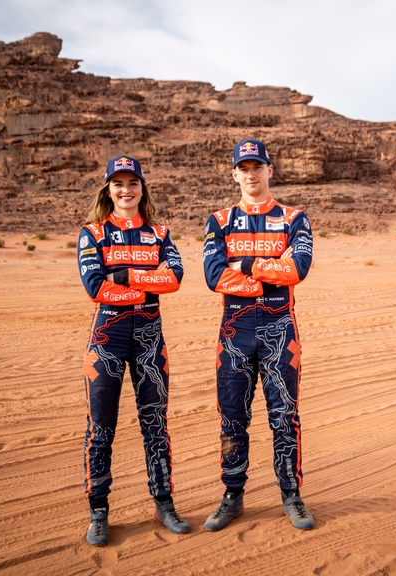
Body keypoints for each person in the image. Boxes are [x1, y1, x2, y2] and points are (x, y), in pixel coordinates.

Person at [201, 139, 315, 531]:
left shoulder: (294, 219)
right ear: (235, 174)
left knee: (285, 417)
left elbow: (298, 268)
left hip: (280, 328)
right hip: (235, 330)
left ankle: (291, 495)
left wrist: (242, 267)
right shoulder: (218, 220)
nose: (251, 174)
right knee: (232, 418)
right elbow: (214, 276)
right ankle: (232, 496)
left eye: (258, 167)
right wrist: (266, 268)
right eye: (243, 168)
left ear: (270, 170)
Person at [78, 155, 189, 546]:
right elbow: (95, 287)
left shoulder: (160, 233)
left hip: (149, 340)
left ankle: (164, 503)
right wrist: (147, 281)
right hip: (107, 340)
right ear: (108, 190)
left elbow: (174, 279)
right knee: (101, 430)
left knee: (155, 426)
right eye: (118, 184)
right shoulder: (92, 233)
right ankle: (98, 512)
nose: (126, 190)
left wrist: (123, 275)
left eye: (133, 183)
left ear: (143, 188)